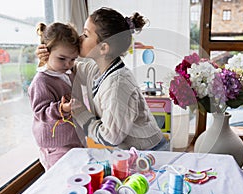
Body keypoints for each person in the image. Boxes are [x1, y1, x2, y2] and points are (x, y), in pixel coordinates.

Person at [37, 7, 169, 151]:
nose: (79, 38)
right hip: (135, 150)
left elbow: (110, 137)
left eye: (86, 35)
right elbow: (68, 66)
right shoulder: (97, 70)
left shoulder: (117, 85)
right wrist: (50, 56)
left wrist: (80, 112)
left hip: (150, 152)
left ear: (103, 48)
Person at [29, 22, 85, 170]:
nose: (68, 64)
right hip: (55, 145)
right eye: (62, 59)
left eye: (72, 59)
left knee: (77, 173)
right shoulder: (42, 80)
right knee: (61, 178)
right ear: (46, 53)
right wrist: (63, 108)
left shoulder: (67, 73)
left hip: (72, 138)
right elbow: (41, 112)